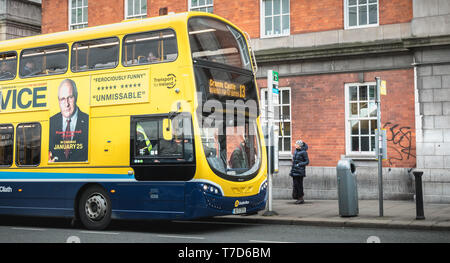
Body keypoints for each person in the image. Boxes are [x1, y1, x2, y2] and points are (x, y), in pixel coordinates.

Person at [49, 79, 89, 162]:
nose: (66, 104)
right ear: (58, 100)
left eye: (70, 97)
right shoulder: (50, 123)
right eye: (62, 99)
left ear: (76, 96)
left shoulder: (88, 121)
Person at [289, 140, 309, 204]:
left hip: (300, 172)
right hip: (294, 171)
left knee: (299, 185)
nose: (295, 145)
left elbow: (307, 162)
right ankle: (297, 197)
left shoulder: (304, 152)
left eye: (297, 144)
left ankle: (301, 198)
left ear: (300, 145)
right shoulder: (295, 151)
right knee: (295, 185)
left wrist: (299, 164)